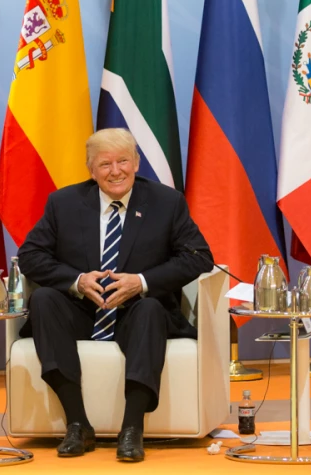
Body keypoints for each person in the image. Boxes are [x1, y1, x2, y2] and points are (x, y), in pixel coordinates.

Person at [17, 128, 214, 462]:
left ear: (136, 163)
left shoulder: (166, 203)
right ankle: (77, 424)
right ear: (91, 170)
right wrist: (77, 281)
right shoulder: (63, 203)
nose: (116, 171)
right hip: (81, 311)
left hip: (137, 312)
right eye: (104, 164)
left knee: (151, 309)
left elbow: (198, 256)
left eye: (123, 160)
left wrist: (141, 281)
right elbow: (30, 256)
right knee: (44, 300)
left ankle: (131, 429)